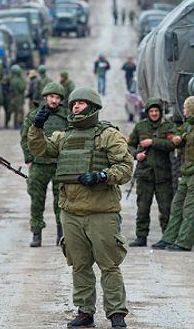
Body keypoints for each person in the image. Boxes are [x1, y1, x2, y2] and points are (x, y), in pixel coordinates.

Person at [28, 87, 132, 329]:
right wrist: (37, 128)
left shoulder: (108, 135)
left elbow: (126, 168)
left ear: (93, 108)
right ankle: (85, 312)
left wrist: (102, 176)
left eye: (81, 103)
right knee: (80, 265)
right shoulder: (64, 136)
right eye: (73, 103)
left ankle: (117, 313)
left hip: (101, 212)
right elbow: (40, 149)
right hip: (71, 212)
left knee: (109, 265)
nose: (75, 107)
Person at [152, 96, 194, 252]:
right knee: (176, 206)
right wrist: (177, 137)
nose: (183, 111)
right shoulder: (191, 125)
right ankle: (168, 238)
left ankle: (184, 242)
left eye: (185, 108)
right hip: (188, 171)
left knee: (191, 209)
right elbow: (180, 133)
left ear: (191, 110)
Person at [20, 82, 69, 247]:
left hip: (59, 165)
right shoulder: (34, 114)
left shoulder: (67, 116)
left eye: (57, 98)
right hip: (39, 165)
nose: (54, 101)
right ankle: (36, 234)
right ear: (45, 97)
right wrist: (28, 158)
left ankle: (61, 235)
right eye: (51, 97)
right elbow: (25, 137)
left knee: (61, 201)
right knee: (36, 200)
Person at [127, 98, 176, 247]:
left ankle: (167, 237)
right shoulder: (140, 127)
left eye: (156, 111)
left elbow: (172, 144)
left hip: (163, 175)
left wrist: (153, 142)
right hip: (145, 175)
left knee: (166, 208)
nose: (154, 113)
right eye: (151, 111)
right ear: (147, 112)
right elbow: (129, 146)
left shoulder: (168, 126)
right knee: (142, 208)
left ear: (160, 112)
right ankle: (141, 237)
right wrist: (136, 155)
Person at [5, 64, 27, 129]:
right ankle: (17, 124)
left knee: (14, 112)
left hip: (12, 97)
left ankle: (11, 123)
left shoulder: (10, 79)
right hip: (18, 98)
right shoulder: (18, 80)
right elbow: (22, 88)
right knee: (19, 112)